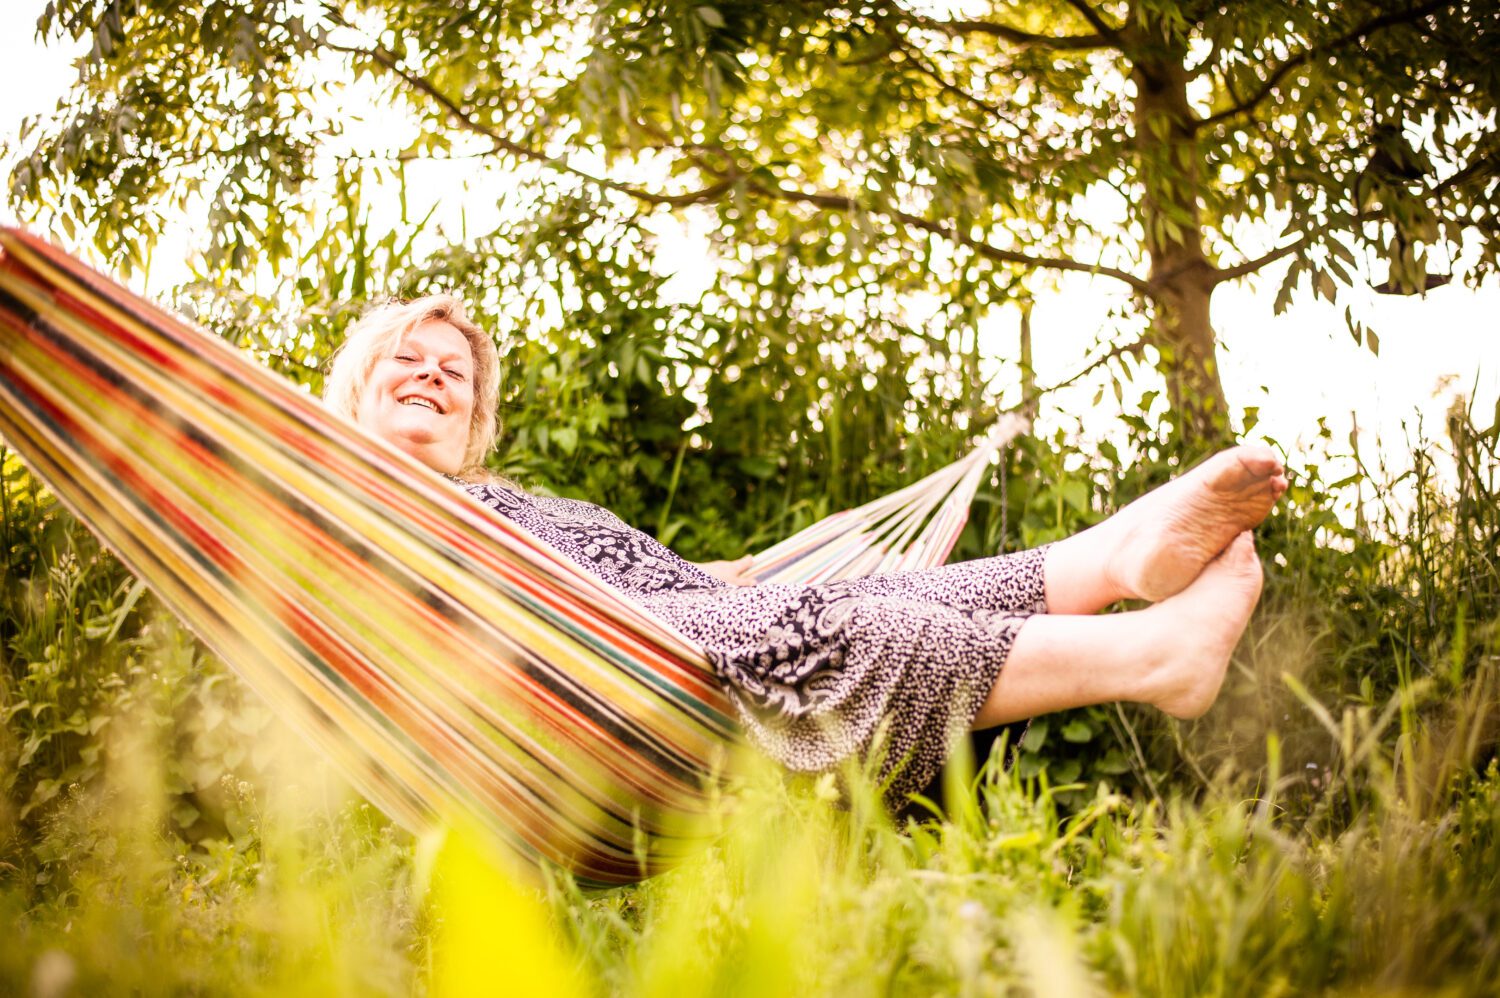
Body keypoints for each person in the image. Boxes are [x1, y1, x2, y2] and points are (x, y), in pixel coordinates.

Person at [323, 295, 1286, 802]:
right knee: (828, 624)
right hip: (584, 667)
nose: (432, 376)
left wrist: (737, 581)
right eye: (406, 360)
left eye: (454, 372)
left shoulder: (512, 498)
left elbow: (690, 589)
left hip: (667, 619)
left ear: (475, 419)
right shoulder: (341, 503)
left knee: (876, 597)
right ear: (354, 392)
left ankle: (1116, 556)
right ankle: (1155, 657)